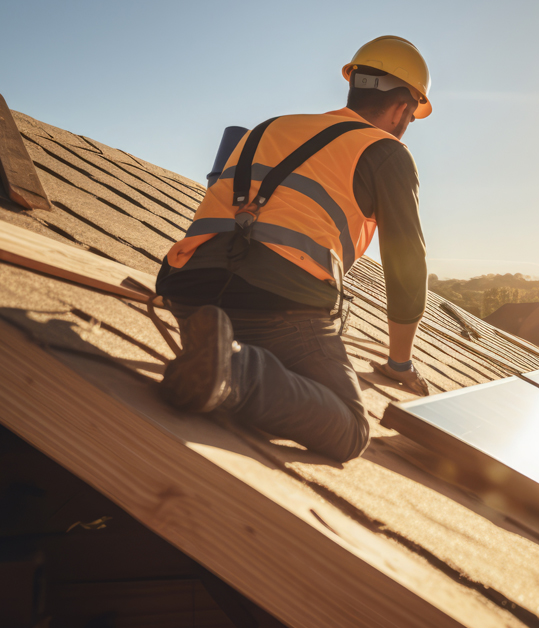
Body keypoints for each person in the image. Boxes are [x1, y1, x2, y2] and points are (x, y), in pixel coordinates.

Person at [155, 36, 434, 462]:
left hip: (188, 288)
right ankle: (234, 371)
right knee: (350, 429)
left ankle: (221, 355)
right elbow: (407, 265)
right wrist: (398, 364)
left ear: (353, 85)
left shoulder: (269, 126)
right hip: (278, 305)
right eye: (411, 115)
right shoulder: (386, 152)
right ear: (402, 108)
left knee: (256, 349)